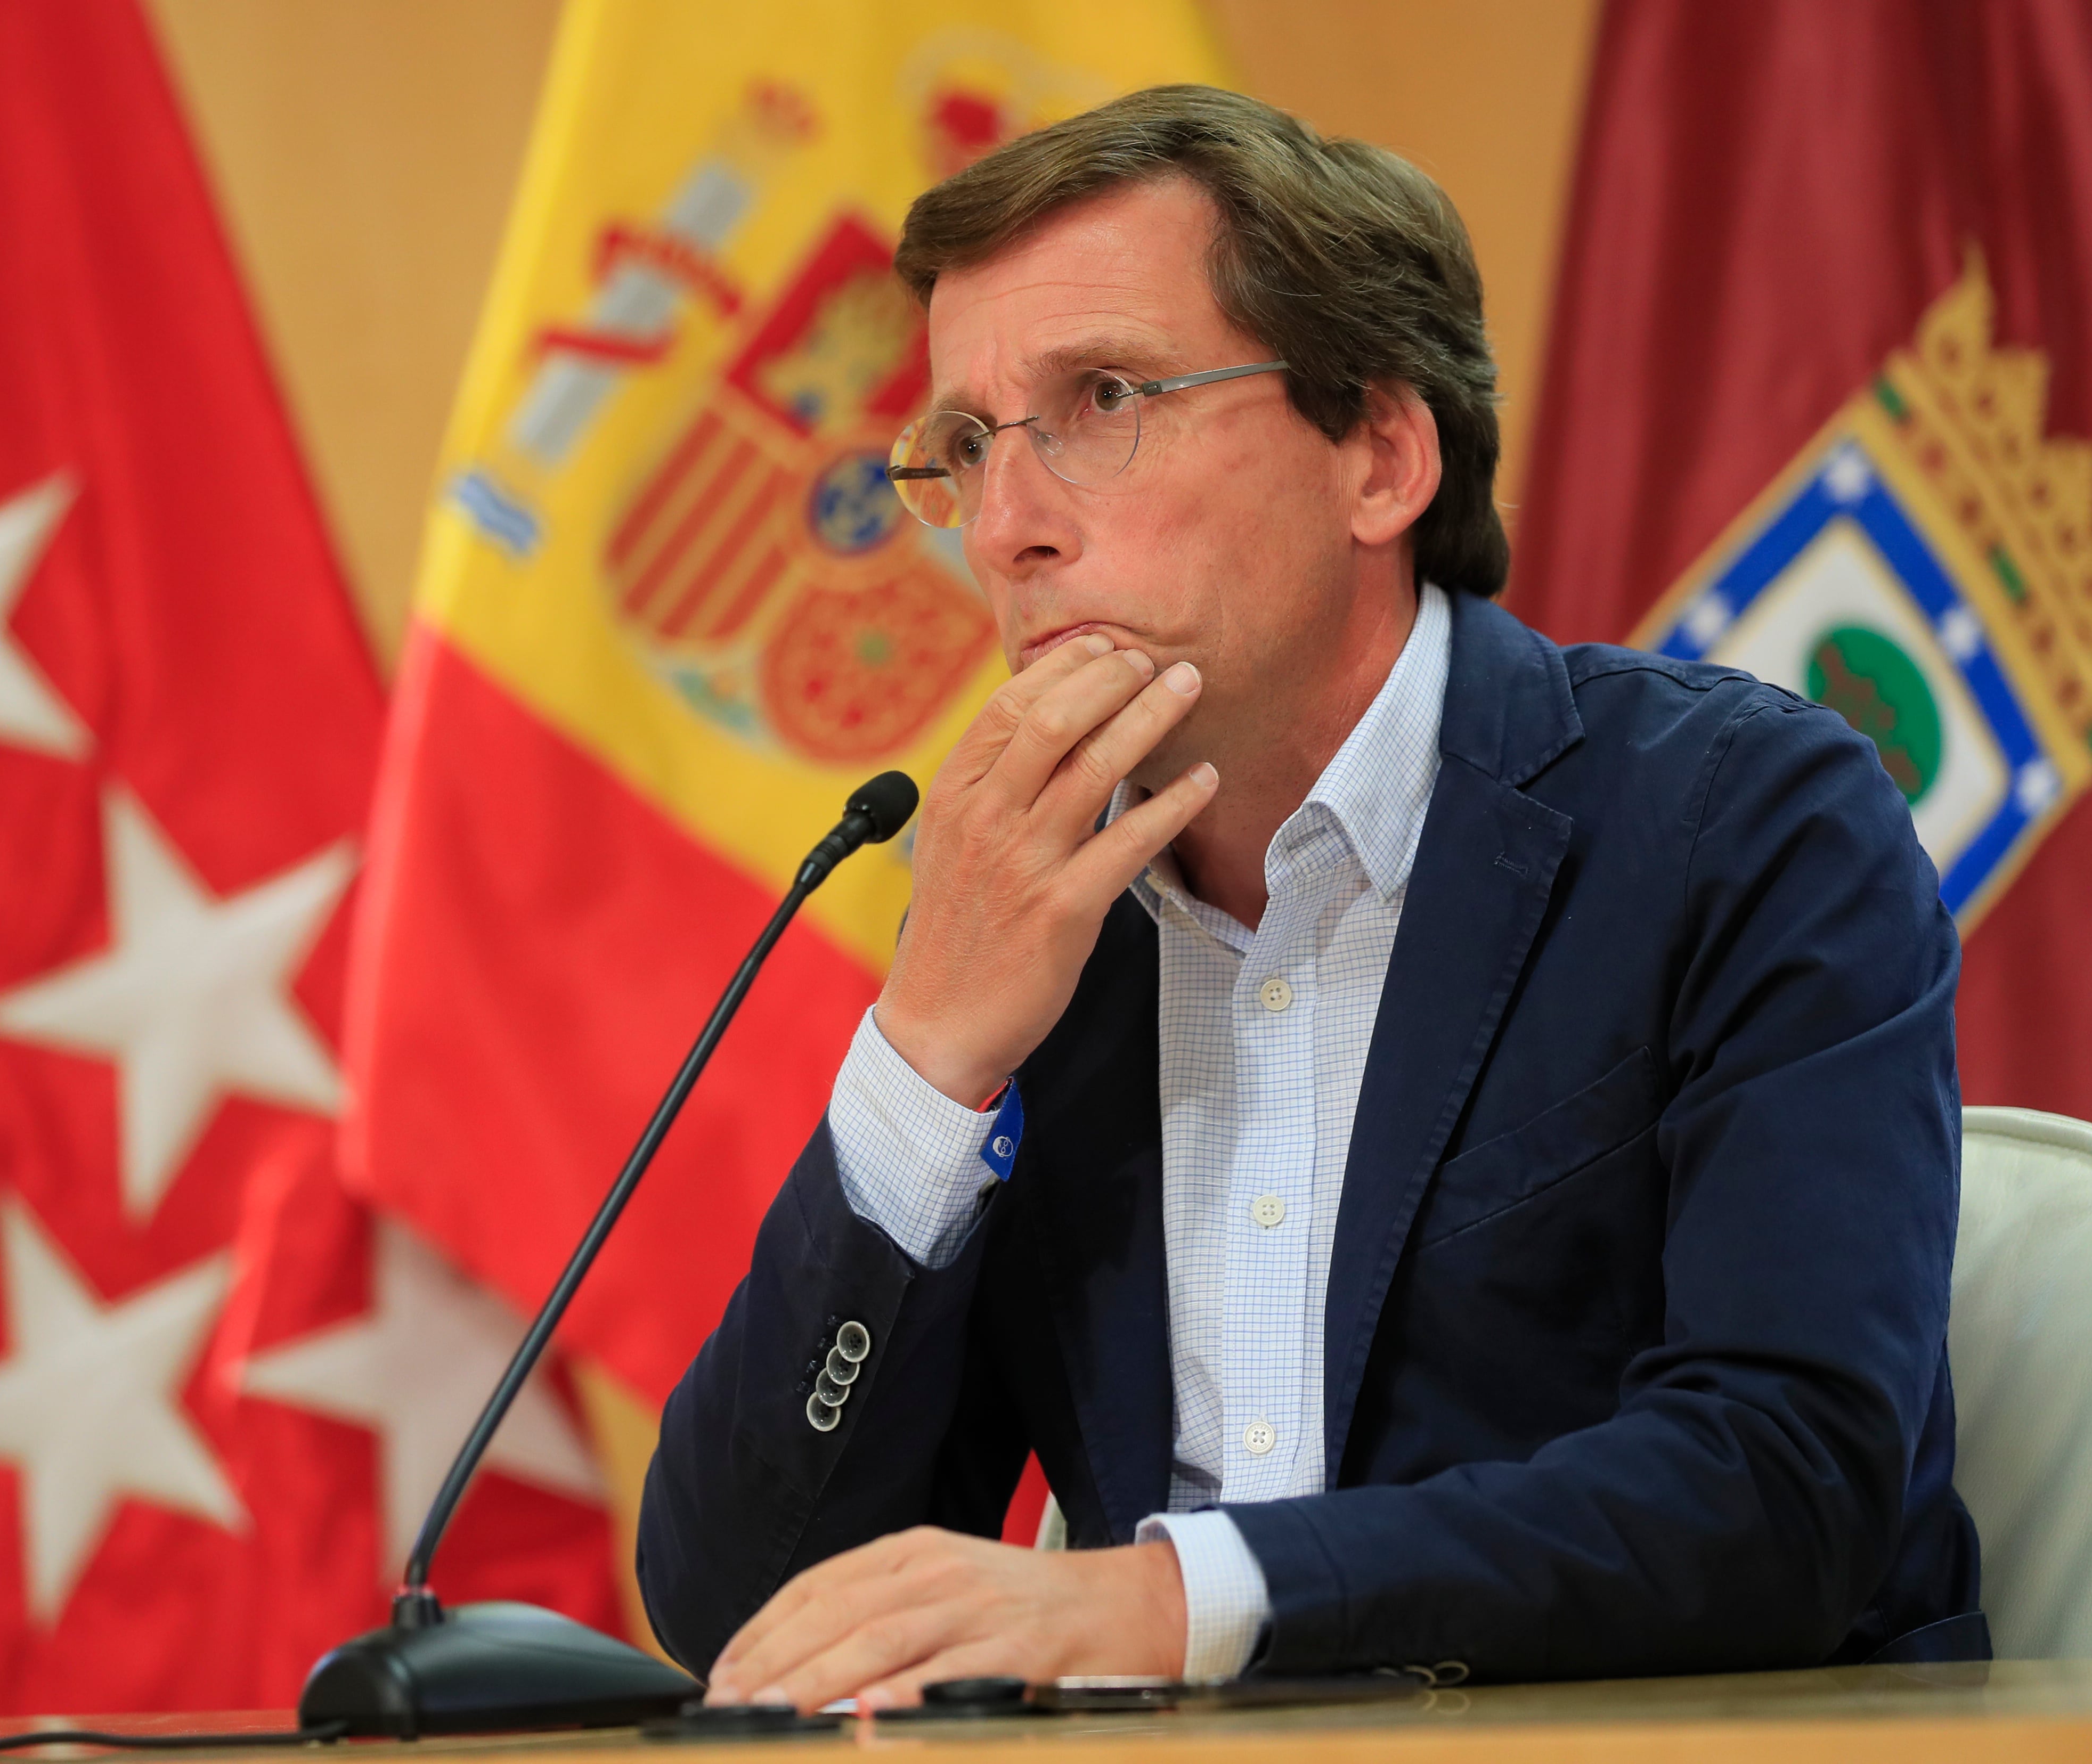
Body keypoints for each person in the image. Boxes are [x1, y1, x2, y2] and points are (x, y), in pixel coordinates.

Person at [637, 84, 1983, 1710]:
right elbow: (745, 1606)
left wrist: (1170, 1606)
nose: (1003, 529)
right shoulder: (1038, 933)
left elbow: (1788, 1486)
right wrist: (930, 1050)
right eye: (969, 447)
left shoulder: (1740, 826)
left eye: (1107, 396)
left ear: (1381, 456)